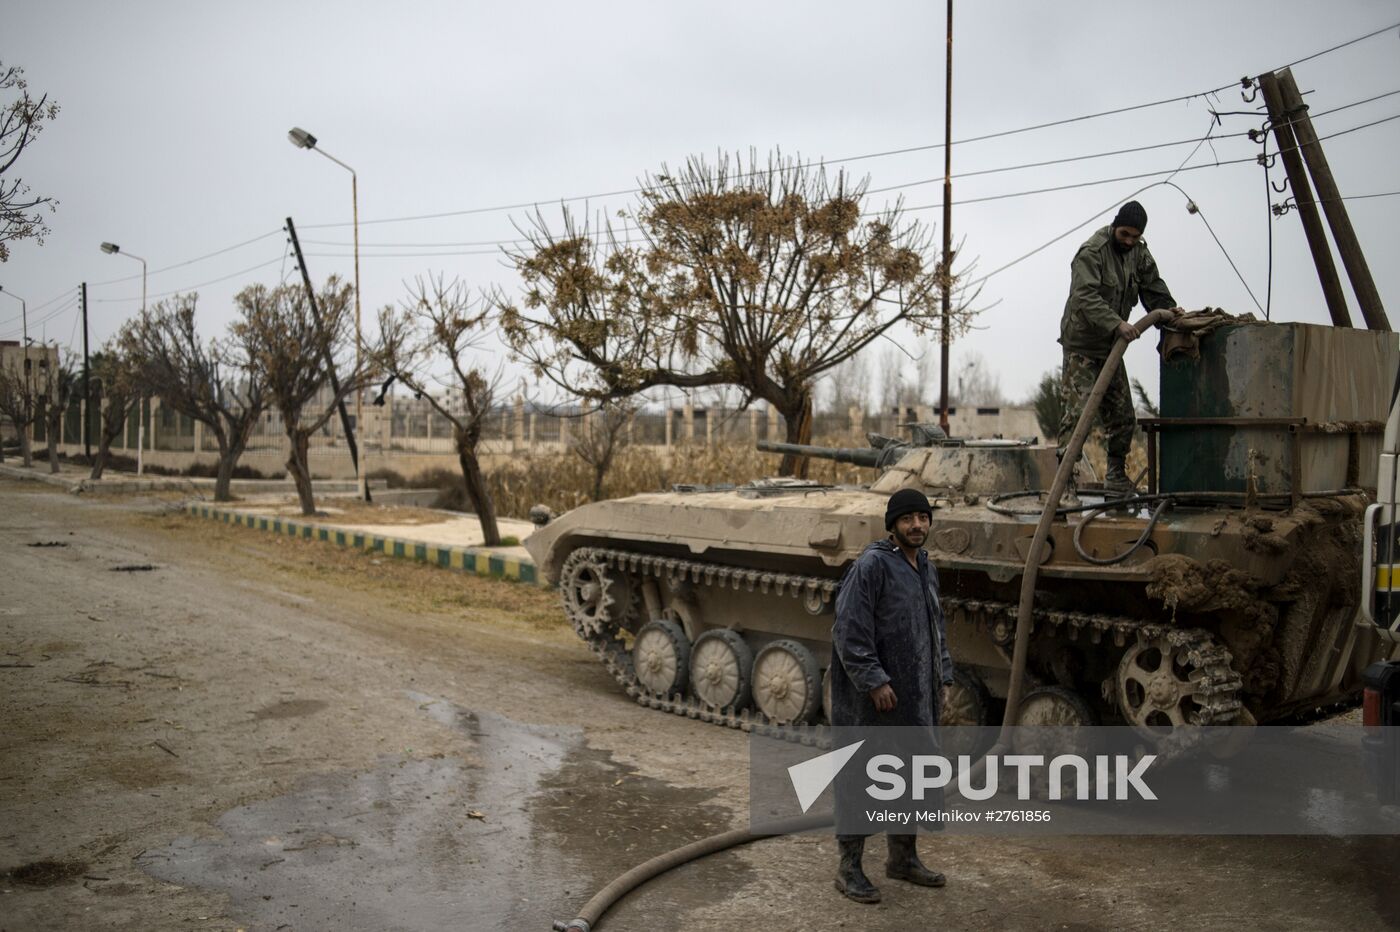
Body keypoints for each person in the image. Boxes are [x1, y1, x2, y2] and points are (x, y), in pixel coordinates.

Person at [829, 487, 952, 904]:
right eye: (907, 519)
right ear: (893, 525)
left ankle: (902, 859)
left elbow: (936, 630)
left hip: (916, 696)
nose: (917, 525)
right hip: (875, 700)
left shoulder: (925, 567)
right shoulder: (872, 566)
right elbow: (849, 630)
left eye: (923, 517)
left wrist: (943, 679)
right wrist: (874, 680)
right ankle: (849, 868)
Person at [1058, 200, 1182, 494]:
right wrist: (1117, 324)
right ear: (1115, 226)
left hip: (1112, 347)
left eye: (1134, 237)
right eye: (1124, 234)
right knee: (1078, 418)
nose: (1128, 241)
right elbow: (1084, 297)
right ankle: (1065, 487)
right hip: (1083, 346)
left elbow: (1153, 286)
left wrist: (1170, 311)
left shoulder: (1139, 252)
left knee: (1123, 416)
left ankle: (1115, 476)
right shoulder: (1092, 252)